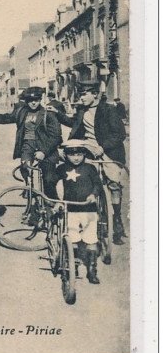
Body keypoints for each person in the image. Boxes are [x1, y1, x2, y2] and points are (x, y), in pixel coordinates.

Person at [61, 80, 127, 245]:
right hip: (89, 151)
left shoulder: (109, 110)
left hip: (108, 153)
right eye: (80, 94)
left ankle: (117, 221)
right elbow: (74, 125)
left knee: (113, 183)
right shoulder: (82, 111)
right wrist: (56, 113)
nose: (81, 97)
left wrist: (102, 147)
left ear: (95, 94)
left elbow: (119, 134)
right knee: (79, 178)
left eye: (84, 94)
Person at [0, 86, 62, 199]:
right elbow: (5, 118)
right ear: (26, 101)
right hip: (27, 145)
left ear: (40, 100)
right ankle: (28, 187)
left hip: (46, 148)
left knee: (48, 179)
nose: (33, 103)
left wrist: (44, 152)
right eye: (30, 101)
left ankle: (52, 202)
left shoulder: (48, 114)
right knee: (25, 167)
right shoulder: (21, 112)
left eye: (36, 100)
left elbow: (56, 137)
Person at [55, 140, 104, 284]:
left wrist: (93, 195)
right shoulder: (62, 168)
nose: (76, 158)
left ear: (84, 154)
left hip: (88, 209)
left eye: (79, 154)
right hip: (70, 209)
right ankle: (73, 266)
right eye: (72, 155)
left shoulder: (90, 168)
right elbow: (51, 182)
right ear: (66, 155)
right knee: (73, 238)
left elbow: (98, 184)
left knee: (91, 239)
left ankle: (92, 270)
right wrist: (57, 201)